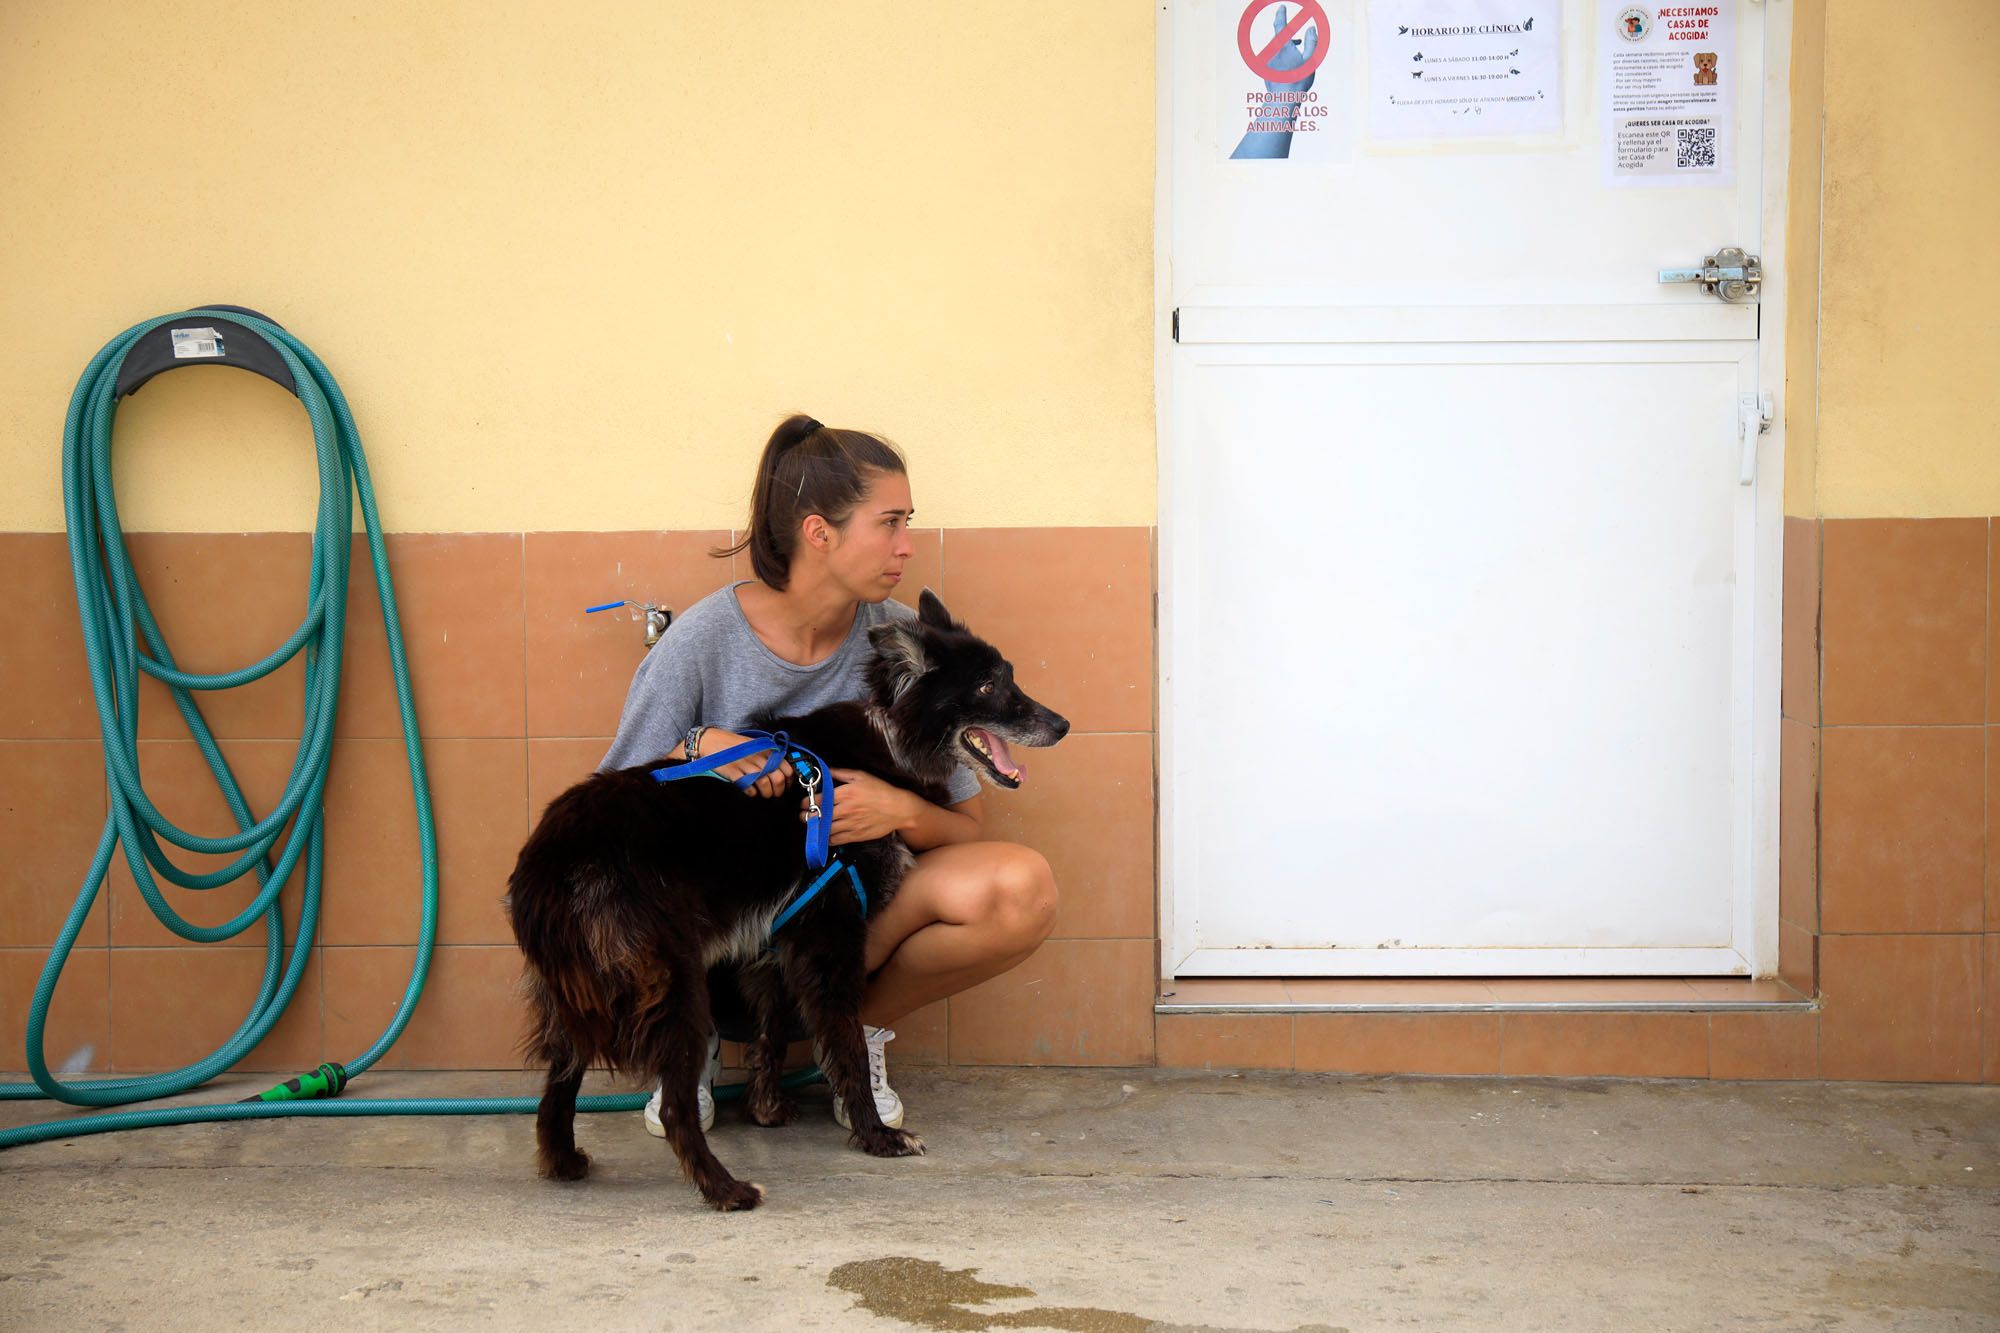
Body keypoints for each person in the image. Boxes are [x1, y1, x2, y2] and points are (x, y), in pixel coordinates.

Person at [597, 414, 1059, 1137]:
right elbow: (613, 802)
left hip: (836, 934)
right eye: (891, 523)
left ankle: (854, 1037)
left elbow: (967, 828)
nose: (907, 545)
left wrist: (892, 807)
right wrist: (695, 744)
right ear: (820, 532)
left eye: (908, 523)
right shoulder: (705, 638)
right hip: (715, 934)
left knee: (1020, 888)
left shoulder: (902, 638)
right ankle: (689, 1045)